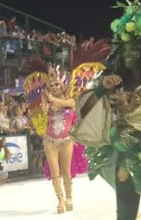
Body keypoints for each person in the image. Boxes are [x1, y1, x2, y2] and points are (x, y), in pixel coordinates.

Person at [41, 66, 77, 214]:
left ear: (63, 85)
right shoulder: (48, 100)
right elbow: (44, 110)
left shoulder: (70, 100)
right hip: (50, 141)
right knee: (55, 172)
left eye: (56, 84)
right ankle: (60, 200)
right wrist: (45, 98)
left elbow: (70, 105)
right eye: (51, 85)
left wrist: (52, 98)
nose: (54, 87)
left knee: (66, 171)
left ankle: (69, 197)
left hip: (66, 140)